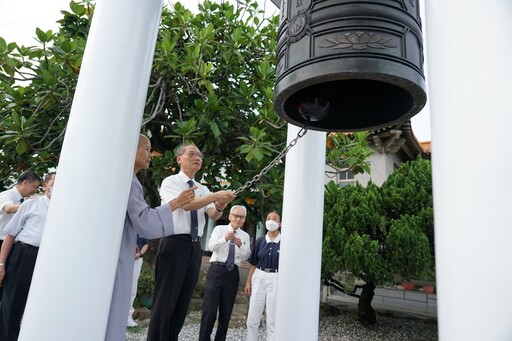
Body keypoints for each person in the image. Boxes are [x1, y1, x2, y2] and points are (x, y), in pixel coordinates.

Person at [103, 134, 196, 341]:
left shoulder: (126, 178)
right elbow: (145, 222)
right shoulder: (134, 180)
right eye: (147, 149)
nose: (151, 155)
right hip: (118, 251)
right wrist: (176, 203)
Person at [147, 143, 236, 341]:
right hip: (174, 244)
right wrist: (215, 196)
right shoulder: (170, 182)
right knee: (165, 301)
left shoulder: (203, 188)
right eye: (192, 153)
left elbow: (212, 214)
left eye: (200, 155)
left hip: (194, 247)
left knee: (183, 301)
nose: (197, 157)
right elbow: (186, 205)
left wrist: (220, 205)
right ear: (179, 158)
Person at [0, 172, 55, 341]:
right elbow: (10, 235)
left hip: (52, 259)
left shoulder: (69, 209)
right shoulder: (30, 205)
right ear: (45, 186)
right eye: (55, 183)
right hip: (25, 255)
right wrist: (1, 264)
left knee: (44, 304)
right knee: (14, 301)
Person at [199, 205, 251, 341]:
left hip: (232, 272)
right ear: (229, 216)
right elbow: (211, 246)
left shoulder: (244, 235)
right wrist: (225, 239)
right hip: (217, 269)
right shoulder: (219, 229)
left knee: (226, 310)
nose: (238, 219)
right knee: (209, 310)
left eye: (241, 217)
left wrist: (241, 245)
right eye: (235, 215)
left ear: (244, 219)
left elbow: (246, 256)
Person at [0, 171, 40, 301]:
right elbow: (8, 209)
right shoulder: (6, 195)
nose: (34, 191)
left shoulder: (25, 200)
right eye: (34, 187)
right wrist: (30, 206)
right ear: (25, 182)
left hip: (13, 246)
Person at [245, 211, 282, 341]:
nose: (271, 221)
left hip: (276, 278)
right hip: (259, 276)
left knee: (272, 318)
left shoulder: (285, 242)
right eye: (268, 218)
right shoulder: (260, 241)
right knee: (253, 316)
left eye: (275, 219)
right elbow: (253, 263)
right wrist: (248, 282)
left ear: (280, 223)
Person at [127, 234, 149, 327]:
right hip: (123, 255)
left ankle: (128, 316)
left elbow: (146, 244)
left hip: (137, 259)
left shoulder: (143, 226)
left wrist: (139, 255)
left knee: (132, 287)